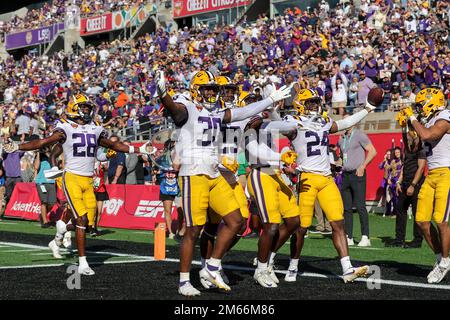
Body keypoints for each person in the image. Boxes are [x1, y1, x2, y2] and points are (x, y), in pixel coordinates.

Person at [155, 70, 291, 296]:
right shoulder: (187, 105)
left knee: (236, 220)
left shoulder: (217, 111)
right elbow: (176, 112)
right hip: (193, 173)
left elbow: (243, 111)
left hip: (214, 172)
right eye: (206, 88)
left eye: (213, 88)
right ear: (195, 89)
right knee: (193, 230)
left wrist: (270, 101)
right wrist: (163, 94)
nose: (210, 93)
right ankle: (184, 281)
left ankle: (212, 265)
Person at [2, 94, 149, 276]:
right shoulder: (65, 128)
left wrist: (139, 148)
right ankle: (82, 262)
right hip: (72, 178)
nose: (87, 111)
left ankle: (60, 233)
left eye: (88, 108)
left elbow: (113, 145)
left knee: (88, 224)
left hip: (89, 180)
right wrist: (18, 147)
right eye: (84, 108)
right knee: (81, 220)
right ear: (74, 108)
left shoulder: (95, 128)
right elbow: (44, 142)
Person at [259, 88, 378, 283]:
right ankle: (290, 265)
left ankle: (347, 268)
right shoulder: (293, 122)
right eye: (310, 103)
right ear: (300, 105)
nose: (314, 106)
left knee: (338, 223)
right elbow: (276, 124)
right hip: (307, 179)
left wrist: (367, 109)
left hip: (326, 179)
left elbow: (345, 123)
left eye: (316, 102)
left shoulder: (322, 122)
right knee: (301, 227)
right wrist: (272, 109)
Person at [400, 88, 450, 283]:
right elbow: (413, 147)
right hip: (431, 174)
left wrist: (413, 118)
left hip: (446, 172)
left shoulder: (445, 116)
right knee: (421, 220)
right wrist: (406, 127)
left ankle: (445, 261)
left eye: (421, 105)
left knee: (441, 220)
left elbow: (429, 136)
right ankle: (439, 259)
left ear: (431, 102)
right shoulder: (428, 121)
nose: (419, 109)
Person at [338, 115, 377, 247]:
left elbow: (372, 151)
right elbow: (342, 157)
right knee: (347, 208)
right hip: (345, 175)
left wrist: (363, 166)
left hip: (357, 174)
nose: (345, 123)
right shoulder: (341, 138)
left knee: (360, 206)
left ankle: (365, 237)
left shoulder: (359, 135)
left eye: (347, 120)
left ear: (353, 123)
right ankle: (349, 236)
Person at [388, 113, 425, 248]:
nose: (408, 134)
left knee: (417, 213)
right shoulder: (407, 148)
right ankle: (399, 240)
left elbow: (421, 168)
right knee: (400, 209)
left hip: (416, 184)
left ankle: (417, 241)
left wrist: (413, 185)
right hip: (404, 183)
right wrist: (398, 181)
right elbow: (404, 166)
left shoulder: (420, 147)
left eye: (410, 131)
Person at [33, 146, 57, 228]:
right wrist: (39, 153)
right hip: (41, 181)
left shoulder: (52, 156)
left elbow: (56, 164)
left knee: (52, 202)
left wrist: (48, 153)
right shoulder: (38, 156)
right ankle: (45, 221)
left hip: (51, 181)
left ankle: (42, 215)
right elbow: (36, 167)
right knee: (44, 201)